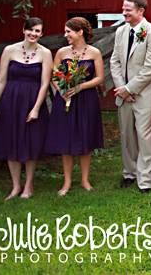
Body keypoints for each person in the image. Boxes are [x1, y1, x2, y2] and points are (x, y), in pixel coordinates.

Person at [0, 17, 52, 199]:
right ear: (24, 30)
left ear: (42, 33)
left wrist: (36, 108)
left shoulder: (45, 53)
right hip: (11, 102)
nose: (34, 34)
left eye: (38, 31)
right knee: (12, 141)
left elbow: (44, 83)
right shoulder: (9, 50)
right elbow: (1, 80)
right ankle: (15, 186)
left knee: (31, 142)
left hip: (33, 101)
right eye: (31, 30)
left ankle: (28, 186)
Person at [109, 0, 151, 193]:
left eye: (128, 10)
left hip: (146, 92)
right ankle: (129, 173)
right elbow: (114, 61)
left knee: (144, 134)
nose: (124, 12)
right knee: (126, 134)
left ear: (140, 11)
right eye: (123, 9)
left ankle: (146, 180)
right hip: (123, 91)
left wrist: (130, 88)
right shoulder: (121, 32)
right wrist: (121, 87)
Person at [44, 17, 105, 196]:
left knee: (85, 138)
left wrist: (80, 86)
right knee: (66, 138)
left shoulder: (94, 53)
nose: (66, 35)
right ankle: (67, 181)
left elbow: (99, 78)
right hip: (64, 100)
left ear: (80, 32)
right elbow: (54, 74)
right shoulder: (62, 52)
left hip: (86, 99)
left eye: (68, 32)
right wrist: (61, 89)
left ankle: (85, 180)